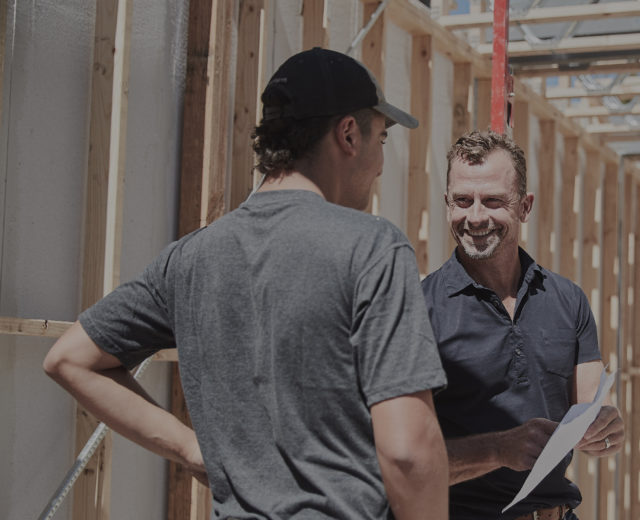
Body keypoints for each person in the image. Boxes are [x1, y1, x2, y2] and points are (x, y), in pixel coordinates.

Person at [43, 48, 448, 520]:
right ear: (349, 134)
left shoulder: (190, 257)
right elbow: (408, 453)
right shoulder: (372, 247)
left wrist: (192, 449)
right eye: (382, 138)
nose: (381, 163)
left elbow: (70, 359)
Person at [421, 131, 625, 520]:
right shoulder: (419, 309)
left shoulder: (568, 301)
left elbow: (593, 409)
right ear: (447, 204)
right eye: (462, 201)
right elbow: (404, 458)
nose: (475, 216)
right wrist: (498, 448)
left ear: (525, 206)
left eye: (493, 201)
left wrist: (607, 429)